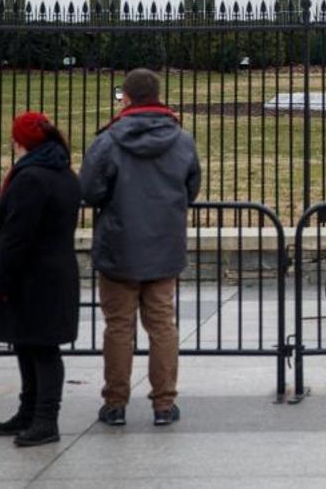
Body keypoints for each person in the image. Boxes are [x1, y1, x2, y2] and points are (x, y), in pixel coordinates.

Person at [80, 68, 201, 427]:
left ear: (127, 98)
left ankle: (115, 403)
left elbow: (88, 190)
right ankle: (164, 403)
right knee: (163, 325)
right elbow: (190, 187)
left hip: (119, 245)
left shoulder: (109, 140)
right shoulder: (182, 140)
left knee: (118, 326)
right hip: (164, 245)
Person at [0, 111, 80, 447]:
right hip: (52, 272)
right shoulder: (61, 171)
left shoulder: (31, 178)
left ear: (20, 140)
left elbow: (16, 236)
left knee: (42, 349)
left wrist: (3, 280)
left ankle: (45, 419)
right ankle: (29, 411)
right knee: (27, 344)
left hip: (33, 275)